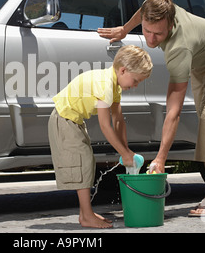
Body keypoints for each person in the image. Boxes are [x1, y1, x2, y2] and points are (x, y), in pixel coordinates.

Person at [98, 0, 205, 217]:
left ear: (171, 24)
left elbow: (173, 112)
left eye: (159, 34)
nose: (152, 40)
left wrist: (161, 157)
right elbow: (143, 9)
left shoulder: (179, 49)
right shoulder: (156, 7)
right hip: (200, 61)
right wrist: (125, 30)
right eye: (147, 31)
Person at [48, 45, 153, 228]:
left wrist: (126, 151)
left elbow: (118, 120)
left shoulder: (114, 85)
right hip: (64, 118)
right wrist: (124, 153)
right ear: (123, 70)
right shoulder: (105, 84)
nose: (135, 86)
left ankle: (85, 212)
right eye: (135, 81)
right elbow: (105, 126)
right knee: (82, 162)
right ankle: (87, 216)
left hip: (74, 120)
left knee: (87, 162)